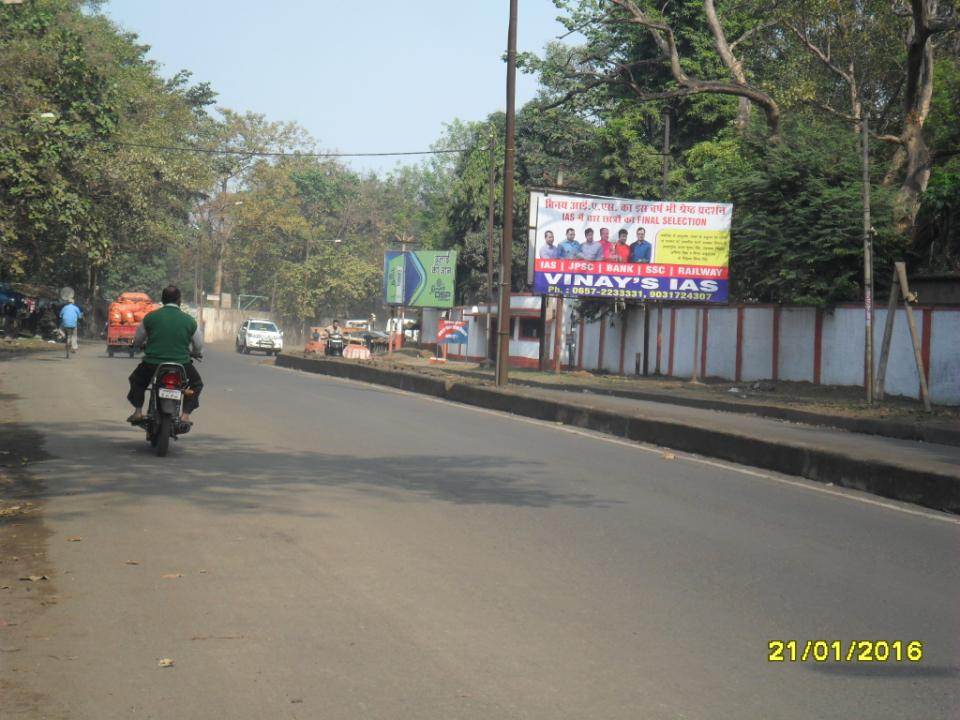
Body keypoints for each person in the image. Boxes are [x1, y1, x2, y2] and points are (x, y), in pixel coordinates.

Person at [126, 286, 203, 425]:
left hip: (152, 364)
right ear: (179, 300)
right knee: (196, 384)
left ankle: (138, 412)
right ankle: (185, 415)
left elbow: (138, 339)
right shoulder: (190, 321)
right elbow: (198, 344)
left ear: (162, 300)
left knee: (137, 381)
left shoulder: (150, 317)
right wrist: (196, 353)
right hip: (181, 365)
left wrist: (137, 345)